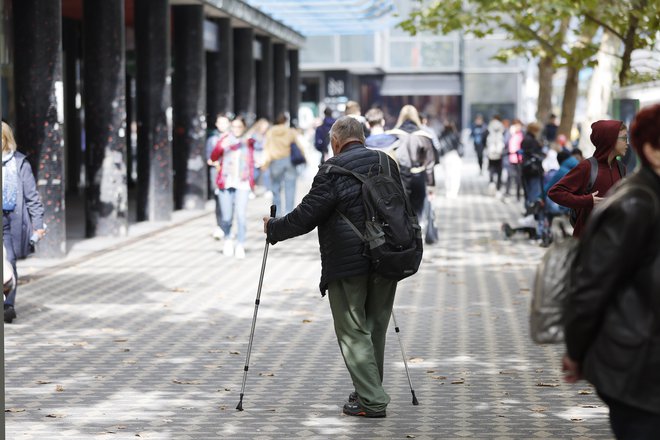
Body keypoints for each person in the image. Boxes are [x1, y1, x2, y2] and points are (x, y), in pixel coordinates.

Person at [262, 116, 403, 418]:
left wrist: (274, 228)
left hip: (348, 261)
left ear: (335, 142)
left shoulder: (331, 170)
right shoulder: (386, 162)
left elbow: (306, 215)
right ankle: (368, 390)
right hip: (387, 255)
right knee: (375, 326)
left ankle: (372, 399)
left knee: (353, 330)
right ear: (362, 138)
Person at [562, 103, 660, 439]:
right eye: (621, 138)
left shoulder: (625, 177)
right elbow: (591, 290)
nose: (625, 144)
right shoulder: (633, 203)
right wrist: (586, 201)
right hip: (639, 372)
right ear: (654, 150)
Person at [547, 120, 628, 237]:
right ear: (610, 139)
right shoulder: (587, 167)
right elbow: (555, 192)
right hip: (588, 242)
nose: (627, 143)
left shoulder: (621, 168)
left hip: (613, 240)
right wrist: (586, 201)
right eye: (624, 138)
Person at [2, 121, 46, 323]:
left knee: (8, 260)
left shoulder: (20, 163)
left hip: (11, 220)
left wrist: (38, 225)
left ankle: (7, 305)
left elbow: (32, 198)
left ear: (5, 139)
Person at [210, 115, 254, 259]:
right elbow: (214, 157)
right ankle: (228, 239)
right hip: (226, 182)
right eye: (233, 126)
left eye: (239, 127)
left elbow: (256, 156)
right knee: (227, 216)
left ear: (244, 128)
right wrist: (220, 146)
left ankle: (240, 243)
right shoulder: (224, 140)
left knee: (240, 215)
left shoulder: (248, 142)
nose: (236, 129)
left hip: (243, 183)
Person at [388, 105, 436, 218]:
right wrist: (431, 186)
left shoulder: (393, 135)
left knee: (401, 214)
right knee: (417, 214)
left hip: (398, 178)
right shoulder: (424, 136)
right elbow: (430, 163)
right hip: (418, 176)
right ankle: (417, 233)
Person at [262, 113, 300, 216]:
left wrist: (265, 163)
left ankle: (277, 213)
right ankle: (289, 212)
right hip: (289, 161)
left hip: (275, 161)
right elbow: (298, 145)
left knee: (275, 187)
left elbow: (267, 147)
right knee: (290, 187)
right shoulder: (290, 131)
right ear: (286, 120)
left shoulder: (270, 132)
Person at [206, 113, 232, 240]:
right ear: (216, 124)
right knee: (219, 201)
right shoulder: (212, 140)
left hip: (231, 175)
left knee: (230, 201)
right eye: (220, 123)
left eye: (224, 122)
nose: (222, 125)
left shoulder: (234, 139)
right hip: (217, 174)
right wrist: (216, 162)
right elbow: (209, 158)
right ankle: (220, 226)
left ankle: (228, 227)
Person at [438, 120, 463, 198]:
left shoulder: (441, 136)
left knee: (447, 175)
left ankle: (448, 191)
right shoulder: (456, 135)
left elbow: (439, 147)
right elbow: (460, 146)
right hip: (455, 156)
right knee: (455, 175)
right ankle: (454, 192)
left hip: (446, 157)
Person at [485, 115, 506, 194]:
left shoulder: (489, 128)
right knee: (499, 171)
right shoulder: (502, 128)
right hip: (500, 153)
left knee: (491, 169)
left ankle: (491, 184)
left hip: (491, 153)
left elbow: (485, 139)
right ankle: (498, 188)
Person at [504, 120, 524, 200]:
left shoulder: (522, 134)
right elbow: (505, 143)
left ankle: (518, 195)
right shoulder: (510, 134)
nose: (517, 127)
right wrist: (510, 133)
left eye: (518, 125)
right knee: (509, 176)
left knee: (518, 178)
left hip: (520, 159)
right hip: (510, 158)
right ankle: (507, 193)